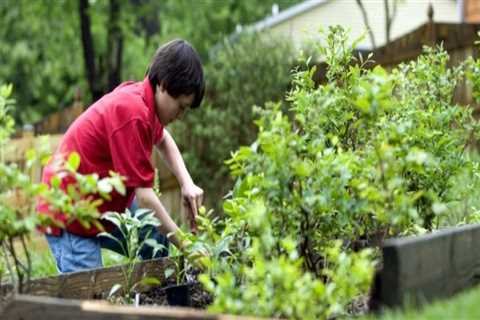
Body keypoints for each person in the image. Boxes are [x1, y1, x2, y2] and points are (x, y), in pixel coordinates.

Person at [36, 39, 205, 273]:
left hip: (99, 207)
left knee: (153, 234)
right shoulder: (132, 113)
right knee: (91, 296)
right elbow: (145, 198)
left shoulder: (145, 103)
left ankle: (150, 296)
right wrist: (187, 246)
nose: (181, 115)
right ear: (164, 85)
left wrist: (187, 183)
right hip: (69, 215)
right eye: (181, 106)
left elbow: (164, 139)